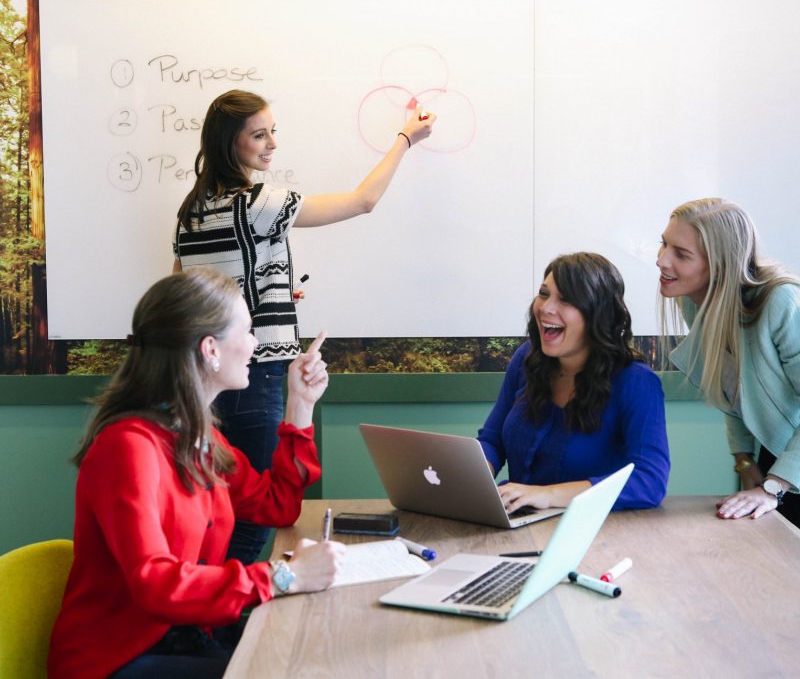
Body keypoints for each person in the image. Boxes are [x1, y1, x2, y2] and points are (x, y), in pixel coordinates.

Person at [173, 89, 435, 565]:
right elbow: (363, 200)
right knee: (255, 521)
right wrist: (406, 138)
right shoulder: (257, 202)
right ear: (231, 143)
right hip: (256, 375)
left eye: (273, 132)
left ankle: (209, 595)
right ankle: (225, 606)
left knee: (215, 509)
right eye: (259, 135)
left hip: (203, 377)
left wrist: (266, 295)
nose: (272, 143)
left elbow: (184, 291)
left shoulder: (191, 211)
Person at [48, 267, 345, 679]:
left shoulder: (199, 437)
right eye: (247, 331)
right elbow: (155, 583)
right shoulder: (128, 446)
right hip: (118, 660)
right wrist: (285, 576)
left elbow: (277, 505)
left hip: (186, 637)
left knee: (307, 655)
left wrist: (301, 402)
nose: (255, 344)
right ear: (210, 349)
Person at [478, 252, 670, 513]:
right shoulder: (526, 358)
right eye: (544, 294)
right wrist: (472, 476)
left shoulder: (636, 382)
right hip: (517, 521)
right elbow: (493, 440)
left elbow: (649, 481)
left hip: (596, 529)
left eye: (566, 299)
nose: (545, 308)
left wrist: (548, 495)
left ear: (597, 314)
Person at [657, 198, 800, 526]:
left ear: (721, 264)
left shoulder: (780, 302)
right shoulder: (695, 300)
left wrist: (774, 486)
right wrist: (744, 460)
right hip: (778, 454)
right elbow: (733, 387)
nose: (661, 260)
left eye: (681, 254)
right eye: (663, 244)